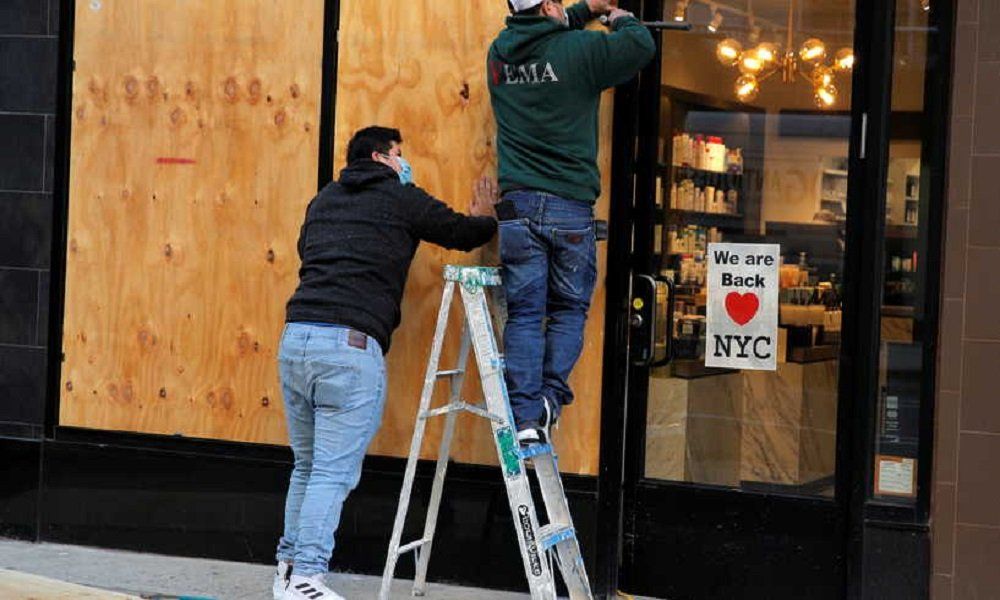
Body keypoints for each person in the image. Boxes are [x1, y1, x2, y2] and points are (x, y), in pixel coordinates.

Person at [272, 126, 498, 600]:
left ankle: (288, 571)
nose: (404, 162)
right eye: (399, 153)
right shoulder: (399, 197)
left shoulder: (324, 199)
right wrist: (486, 217)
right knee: (331, 473)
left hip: (297, 339)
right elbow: (458, 232)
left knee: (307, 466)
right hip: (348, 346)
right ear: (381, 157)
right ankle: (307, 577)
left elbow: (306, 251)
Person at [487, 0, 656, 444]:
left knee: (525, 314)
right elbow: (640, 44)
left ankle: (526, 417)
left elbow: (544, 33)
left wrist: (582, 10)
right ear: (549, 5)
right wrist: (617, 16)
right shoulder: (580, 49)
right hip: (569, 206)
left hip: (518, 207)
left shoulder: (499, 54)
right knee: (567, 309)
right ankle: (549, 398)